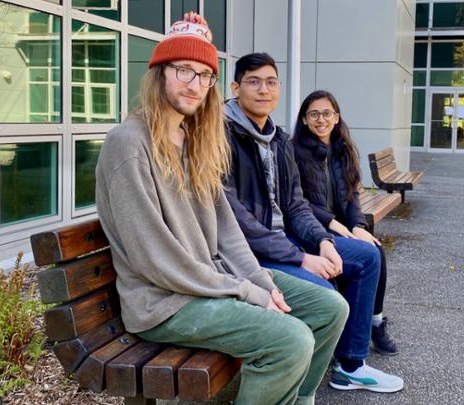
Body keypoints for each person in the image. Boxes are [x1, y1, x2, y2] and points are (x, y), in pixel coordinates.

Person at [95, 14, 348, 405]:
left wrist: (262, 285)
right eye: (184, 71)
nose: (195, 85)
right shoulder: (129, 143)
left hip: (208, 285)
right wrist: (244, 291)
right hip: (165, 302)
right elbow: (155, 259)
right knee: (290, 339)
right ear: (160, 72)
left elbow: (228, 235)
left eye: (205, 75)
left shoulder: (194, 140)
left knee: (330, 308)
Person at [223, 52, 404, 393]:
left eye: (271, 82)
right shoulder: (222, 136)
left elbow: (296, 205)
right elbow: (235, 220)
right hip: (248, 254)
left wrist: (322, 241)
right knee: (326, 297)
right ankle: (295, 385)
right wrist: (303, 257)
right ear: (235, 87)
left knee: (367, 256)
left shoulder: (277, 140)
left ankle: (350, 364)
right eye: (254, 81)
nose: (264, 89)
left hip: (288, 241)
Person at [292, 90, 398, 356]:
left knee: (375, 249)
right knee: (365, 257)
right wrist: (333, 224)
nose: (321, 119)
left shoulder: (343, 150)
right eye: (313, 114)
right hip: (311, 229)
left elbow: (352, 197)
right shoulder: (293, 152)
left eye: (327, 113)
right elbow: (296, 202)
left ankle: (375, 322)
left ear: (336, 117)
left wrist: (358, 227)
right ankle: (349, 339)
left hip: (340, 226)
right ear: (304, 119)